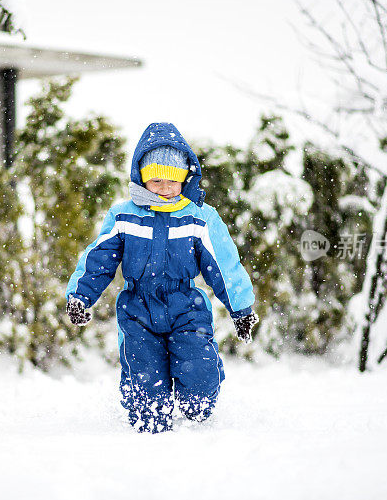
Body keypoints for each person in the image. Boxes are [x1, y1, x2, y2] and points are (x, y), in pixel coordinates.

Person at [64, 122, 258, 433]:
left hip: (186, 307)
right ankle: (151, 433)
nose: (165, 187)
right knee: (147, 401)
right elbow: (97, 259)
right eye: (156, 179)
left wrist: (241, 309)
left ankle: (202, 389)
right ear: (141, 176)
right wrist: (80, 296)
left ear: (186, 177)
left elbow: (223, 265)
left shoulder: (199, 216)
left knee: (198, 386)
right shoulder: (124, 216)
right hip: (137, 309)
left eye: (173, 179)